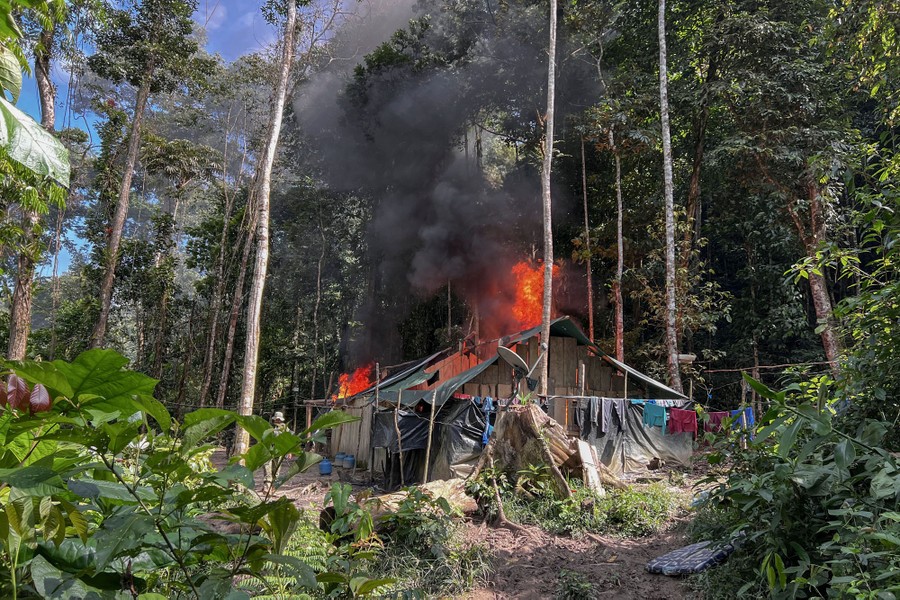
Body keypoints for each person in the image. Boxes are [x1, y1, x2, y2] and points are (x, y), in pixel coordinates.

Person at [262, 411, 291, 494]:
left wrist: (289, 451)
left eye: (279, 419)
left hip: (278, 451)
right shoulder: (269, 426)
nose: (278, 421)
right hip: (268, 451)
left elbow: (289, 439)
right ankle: (266, 487)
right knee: (267, 468)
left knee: (276, 470)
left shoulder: (285, 428)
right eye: (276, 419)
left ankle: (273, 487)